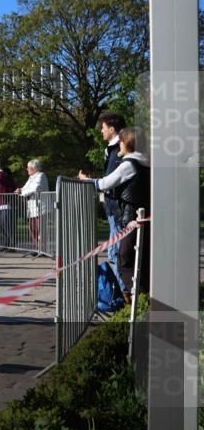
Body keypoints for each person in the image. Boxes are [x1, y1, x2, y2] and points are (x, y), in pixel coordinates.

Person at [79, 128, 149, 297]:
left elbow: (104, 184)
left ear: (127, 143)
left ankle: (138, 299)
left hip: (132, 218)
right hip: (143, 216)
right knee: (141, 260)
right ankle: (143, 297)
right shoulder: (146, 162)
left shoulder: (129, 164)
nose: (120, 145)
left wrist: (86, 180)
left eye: (121, 142)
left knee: (125, 260)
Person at [96, 111, 129, 296]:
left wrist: (90, 182)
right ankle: (125, 292)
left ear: (112, 129)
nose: (101, 131)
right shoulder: (112, 150)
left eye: (103, 128)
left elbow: (111, 181)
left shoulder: (119, 151)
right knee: (113, 252)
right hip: (113, 208)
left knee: (116, 252)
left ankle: (126, 293)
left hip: (117, 209)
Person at [15, 159, 49, 252]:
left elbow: (35, 188)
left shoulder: (41, 175)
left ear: (34, 168)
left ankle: (43, 250)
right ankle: (37, 248)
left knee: (41, 230)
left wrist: (22, 192)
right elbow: (25, 188)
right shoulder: (31, 177)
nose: (27, 169)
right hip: (32, 208)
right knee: (33, 228)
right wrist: (20, 190)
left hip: (40, 208)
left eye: (28, 168)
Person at [0, 161, 17, 249]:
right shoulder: (2, 182)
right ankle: (7, 244)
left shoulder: (7, 179)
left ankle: (12, 246)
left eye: (1, 172)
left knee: (8, 226)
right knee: (2, 227)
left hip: (7, 206)